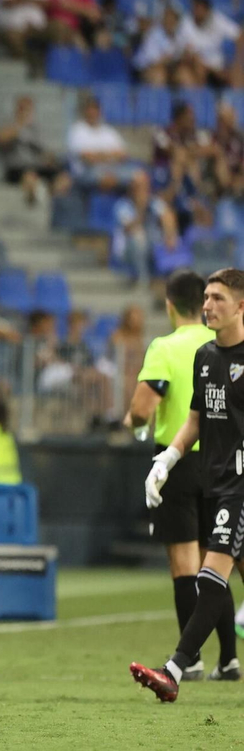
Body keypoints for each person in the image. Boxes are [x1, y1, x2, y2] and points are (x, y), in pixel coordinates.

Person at [135, 269, 244, 701]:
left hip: (239, 486)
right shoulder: (205, 356)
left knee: (211, 572)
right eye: (206, 298)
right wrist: (168, 458)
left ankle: (175, 670)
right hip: (215, 480)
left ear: (241, 306)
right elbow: (196, 421)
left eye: (218, 298)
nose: (208, 305)